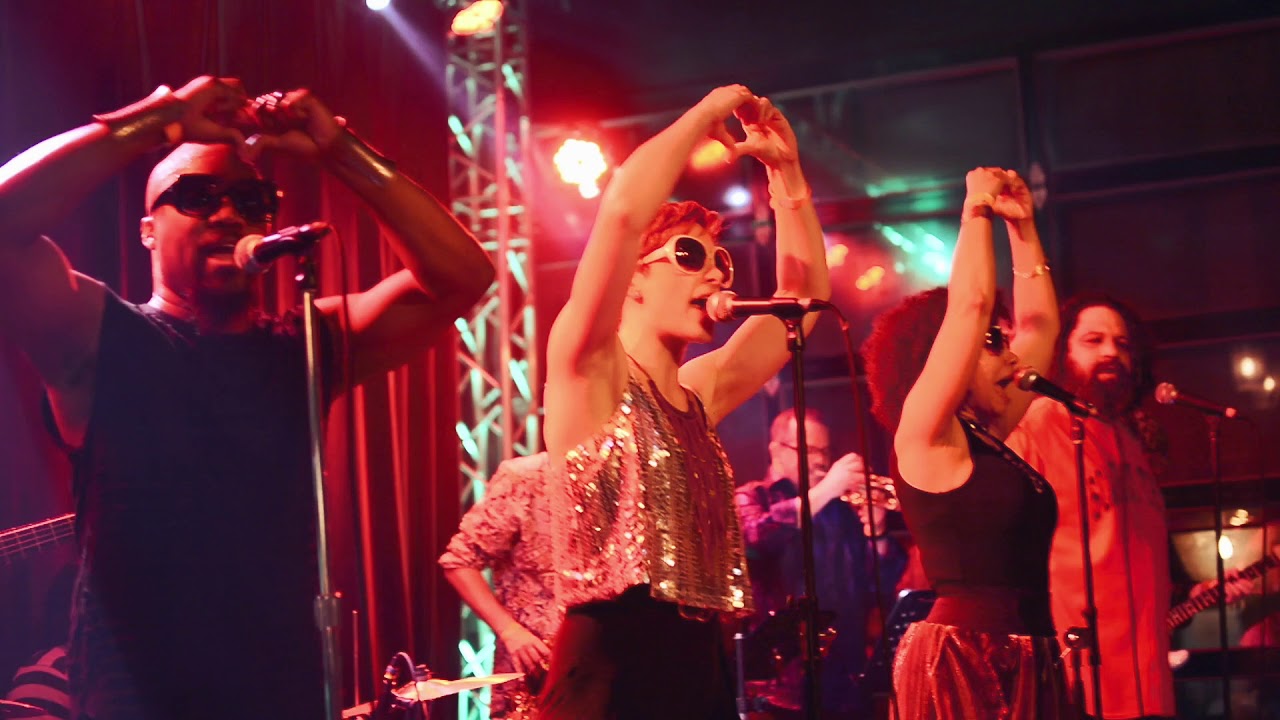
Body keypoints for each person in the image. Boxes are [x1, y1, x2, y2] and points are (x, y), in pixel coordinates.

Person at [0, 77, 494, 720]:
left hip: (282, 692)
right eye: (198, 197)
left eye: (253, 201)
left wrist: (342, 150)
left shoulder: (306, 344)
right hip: (139, 699)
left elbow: (462, 279)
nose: (229, 215)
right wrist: (158, 119)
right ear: (147, 230)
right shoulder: (98, 340)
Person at [536, 85, 830, 720]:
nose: (718, 273)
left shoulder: (698, 392)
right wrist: (704, 115)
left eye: (721, 259)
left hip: (700, 659)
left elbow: (799, 304)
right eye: (690, 256)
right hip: (613, 666)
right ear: (634, 278)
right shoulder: (590, 367)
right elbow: (622, 212)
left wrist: (786, 173)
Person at [861, 167, 1071, 718]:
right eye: (993, 341)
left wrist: (1023, 229)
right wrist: (976, 208)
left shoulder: (986, 435)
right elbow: (969, 307)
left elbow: (1043, 329)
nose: (1012, 354)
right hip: (962, 658)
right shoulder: (926, 433)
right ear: (941, 352)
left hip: (1030, 652)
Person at [1005, 293, 1176, 719]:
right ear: (1062, 351)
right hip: (1078, 672)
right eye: (1093, 340)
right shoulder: (1039, 423)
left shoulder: (1128, 436)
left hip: (1147, 675)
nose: (1111, 352)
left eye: (1122, 344)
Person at [734, 407, 908, 718]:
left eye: (825, 451)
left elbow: (875, 589)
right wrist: (827, 489)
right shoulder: (752, 497)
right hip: (781, 689)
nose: (821, 461)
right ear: (776, 451)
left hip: (846, 682)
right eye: (810, 450)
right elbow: (756, 539)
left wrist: (877, 531)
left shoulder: (840, 512)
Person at [440, 452, 556, 719]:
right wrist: (509, 630)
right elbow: (459, 562)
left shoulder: (630, 478)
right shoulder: (525, 477)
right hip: (535, 673)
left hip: (608, 671)